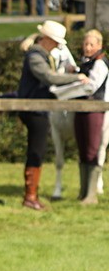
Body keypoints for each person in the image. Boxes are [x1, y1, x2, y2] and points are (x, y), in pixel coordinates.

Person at [17, 21, 88, 210]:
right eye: (56, 42)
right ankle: (30, 196)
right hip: (34, 109)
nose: (57, 46)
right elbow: (49, 78)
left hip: (38, 108)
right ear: (47, 39)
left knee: (37, 150)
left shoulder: (41, 55)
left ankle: (32, 194)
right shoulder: (35, 56)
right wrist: (76, 78)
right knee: (36, 150)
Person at [74, 29, 108, 205]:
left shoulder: (100, 64)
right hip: (82, 108)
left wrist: (76, 82)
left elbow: (92, 87)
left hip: (95, 109)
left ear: (99, 46)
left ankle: (91, 194)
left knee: (92, 149)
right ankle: (83, 191)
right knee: (82, 149)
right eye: (85, 44)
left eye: (91, 44)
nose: (87, 47)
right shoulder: (85, 63)